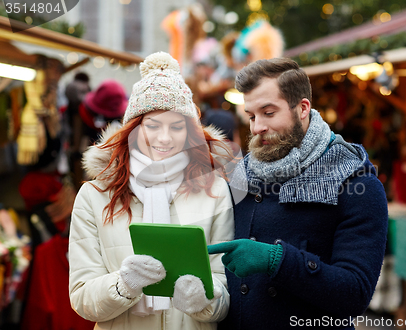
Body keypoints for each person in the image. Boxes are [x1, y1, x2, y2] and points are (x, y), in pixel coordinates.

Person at [207, 58, 388, 329]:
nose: (257, 128)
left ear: (302, 108)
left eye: (269, 113)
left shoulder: (355, 181)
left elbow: (355, 294)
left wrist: (276, 260)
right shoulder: (239, 173)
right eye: (252, 116)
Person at [68, 52, 234, 330]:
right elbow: (81, 296)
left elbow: (226, 289)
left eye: (177, 127)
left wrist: (205, 299)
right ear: (133, 129)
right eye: (152, 126)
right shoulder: (95, 194)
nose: (165, 138)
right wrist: (123, 285)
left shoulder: (213, 188)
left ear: (190, 132)